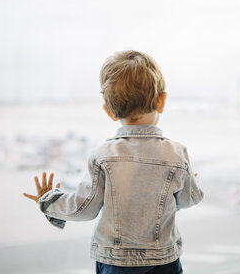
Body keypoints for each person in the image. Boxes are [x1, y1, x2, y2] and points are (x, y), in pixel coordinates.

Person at [23, 50, 204, 274]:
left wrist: (48, 201)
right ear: (162, 100)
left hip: (115, 263)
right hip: (163, 263)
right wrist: (193, 183)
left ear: (109, 111)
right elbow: (188, 199)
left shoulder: (103, 156)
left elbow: (84, 208)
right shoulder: (176, 154)